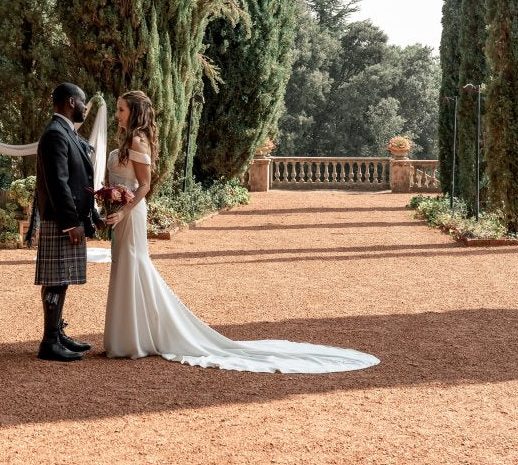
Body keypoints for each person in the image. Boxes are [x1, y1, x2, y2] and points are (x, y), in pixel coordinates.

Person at [102, 90, 379, 374]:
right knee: (124, 265)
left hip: (131, 214)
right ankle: (133, 335)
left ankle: (135, 339)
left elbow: (145, 186)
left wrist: (124, 210)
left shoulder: (137, 140)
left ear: (134, 113)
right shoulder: (126, 141)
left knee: (134, 265)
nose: (117, 114)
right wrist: (108, 195)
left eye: (121, 109)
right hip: (121, 212)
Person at [33, 83, 102, 362]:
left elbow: (77, 179)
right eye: (83, 103)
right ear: (71, 102)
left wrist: (91, 214)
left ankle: (57, 333)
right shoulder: (55, 135)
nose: (85, 108)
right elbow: (58, 183)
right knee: (56, 279)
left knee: (61, 279)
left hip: (67, 218)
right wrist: (70, 222)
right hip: (60, 219)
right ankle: (49, 343)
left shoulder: (64, 133)